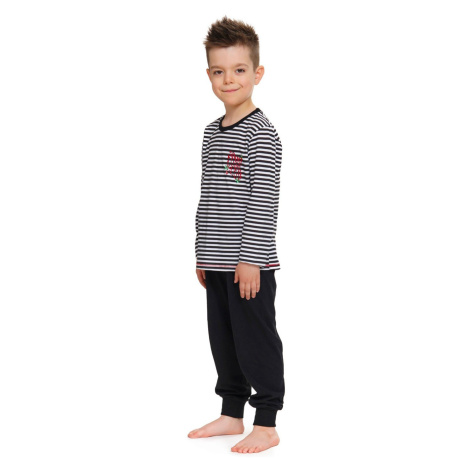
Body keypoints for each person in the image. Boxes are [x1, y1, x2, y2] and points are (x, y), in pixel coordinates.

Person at [188, 16, 285, 454]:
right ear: (209, 74)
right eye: (219, 71)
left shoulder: (262, 134)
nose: (229, 79)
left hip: (249, 264)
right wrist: (202, 253)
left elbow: (263, 201)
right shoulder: (211, 132)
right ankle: (231, 412)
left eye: (239, 70)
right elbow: (209, 195)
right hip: (216, 261)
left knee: (255, 341)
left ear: (257, 73)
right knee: (224, 341)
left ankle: (266, 422)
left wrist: (250, 258)